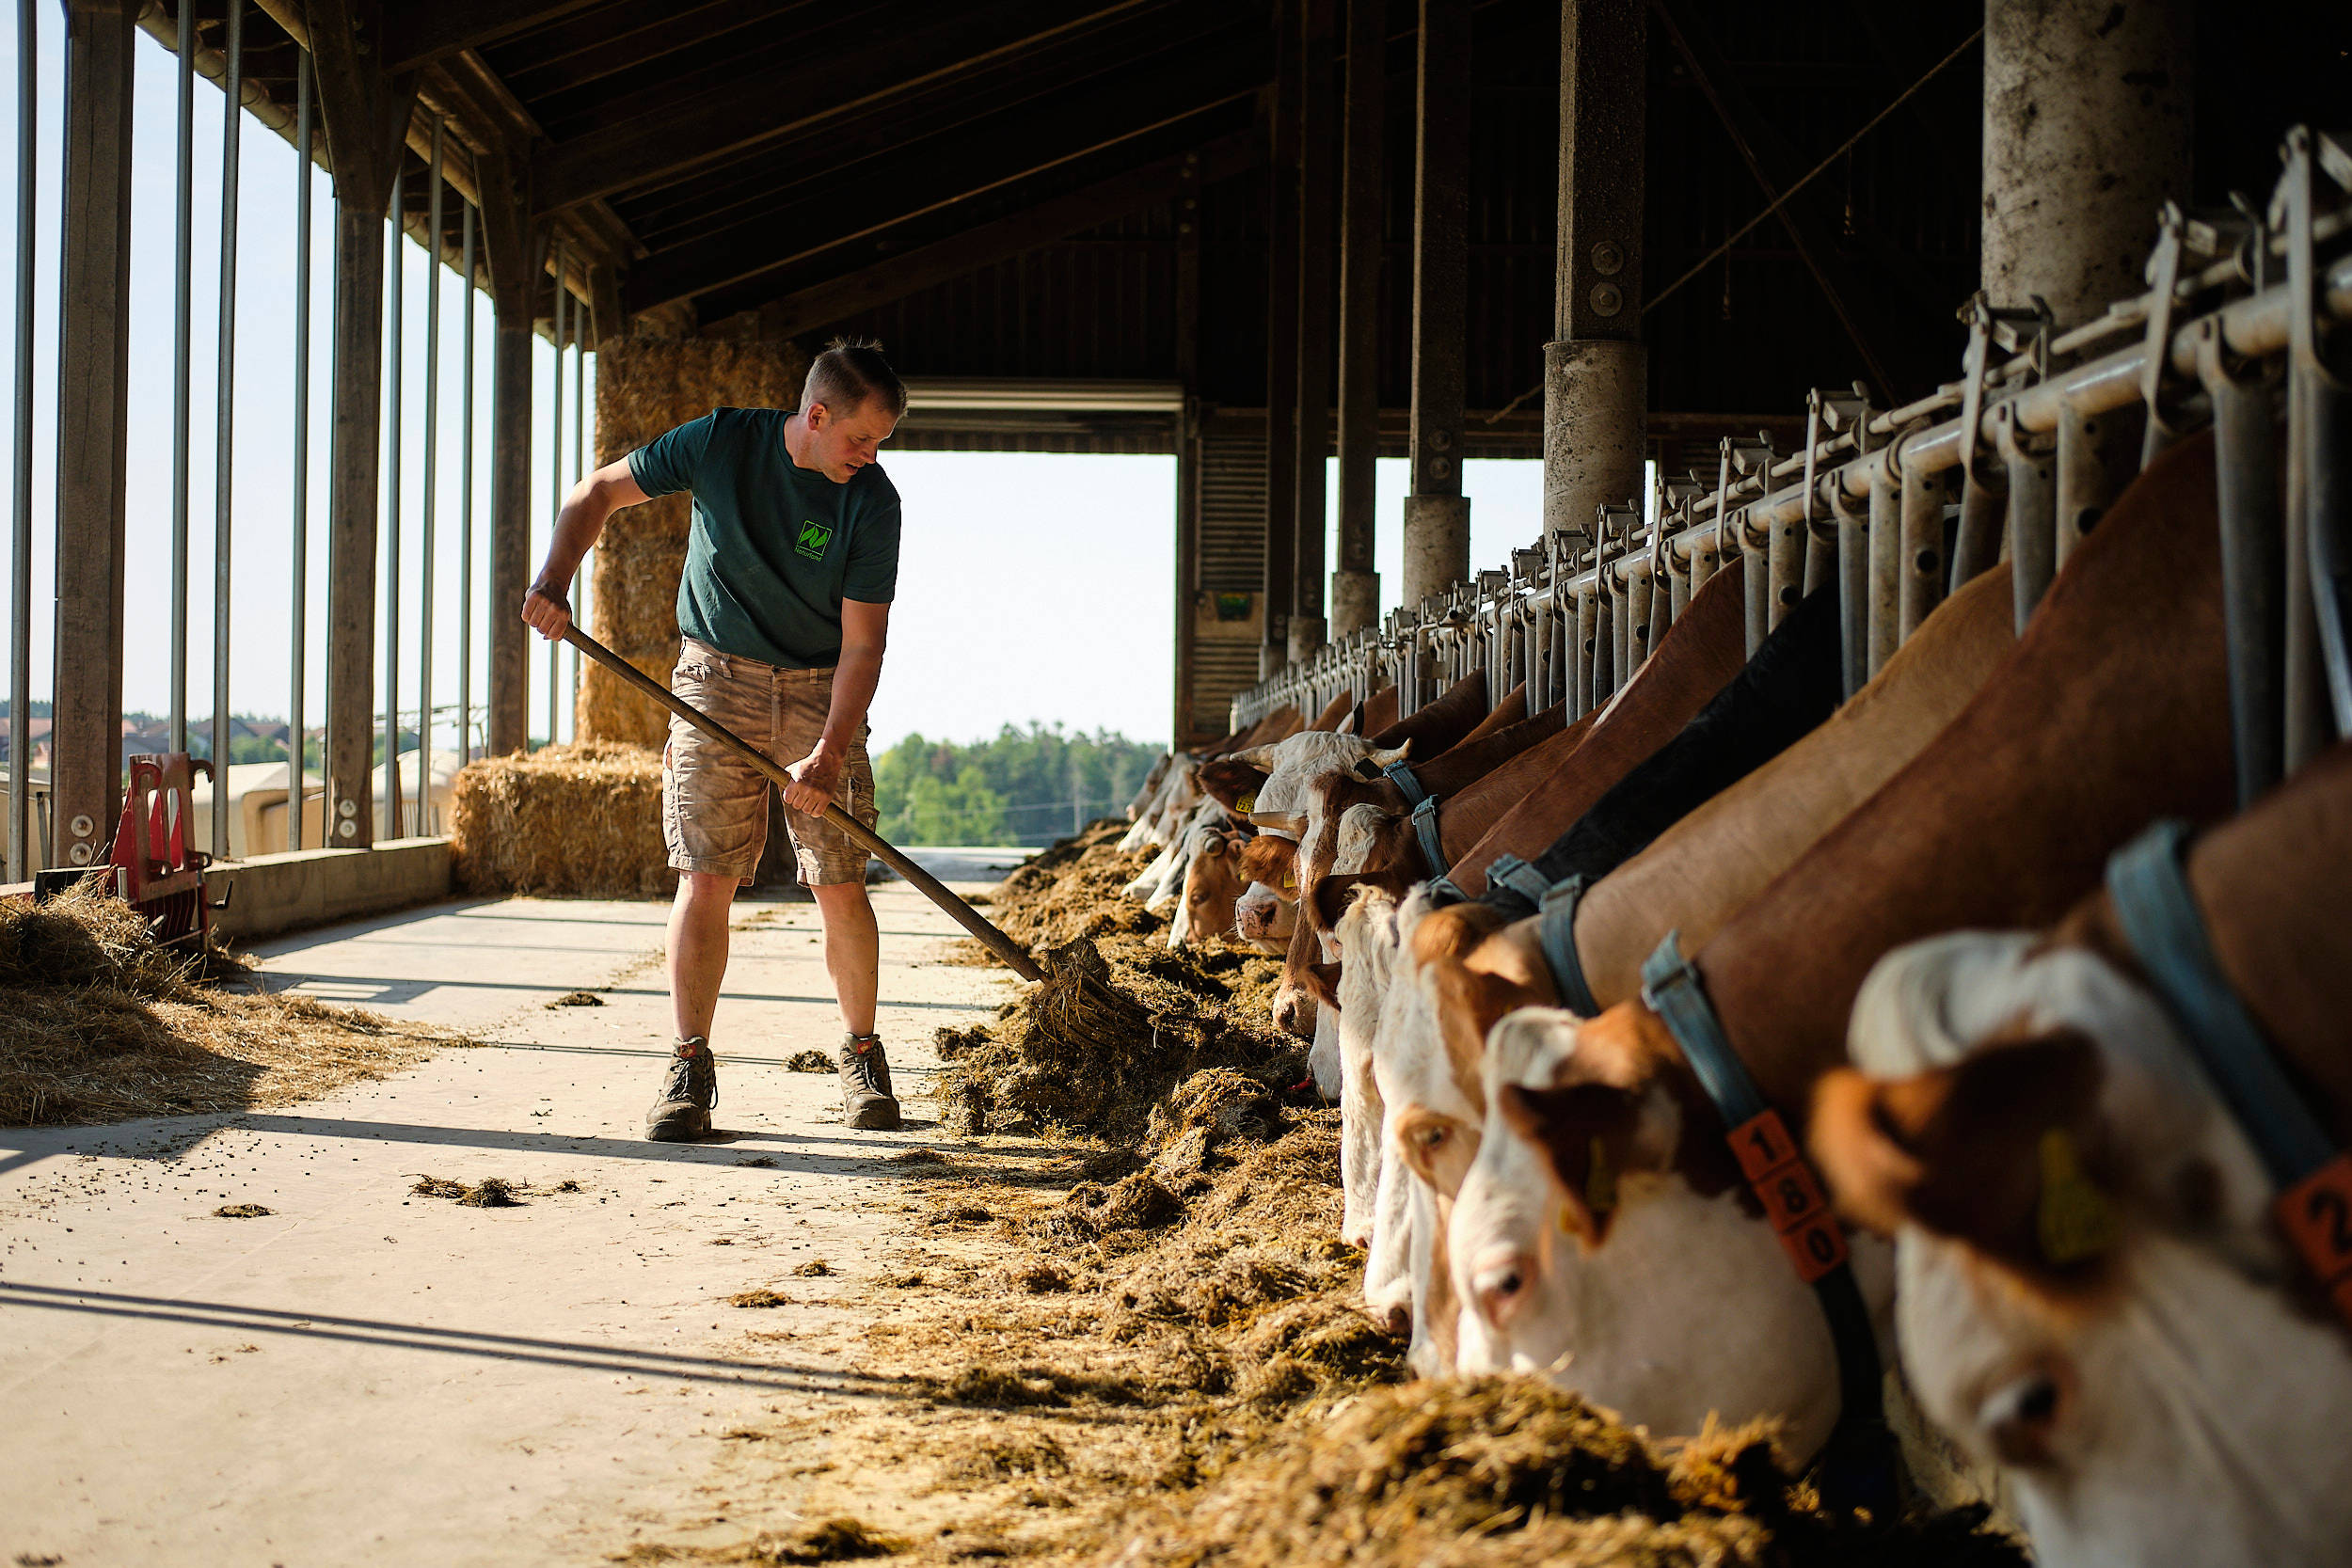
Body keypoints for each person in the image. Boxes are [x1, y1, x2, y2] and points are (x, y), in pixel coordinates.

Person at [521, 338, 907, 1140]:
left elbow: (863, 644)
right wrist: (553, 579)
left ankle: (863, 1054)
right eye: (860, 439)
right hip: (714, 680)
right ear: (817, 412)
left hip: (816, 684)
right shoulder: (722, 440)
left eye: (881, 443)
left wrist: (830, 753)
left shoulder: (872, 502)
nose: (870, 456)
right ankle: (689, 1064)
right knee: (706, 874)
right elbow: (595, 493)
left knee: (839, 876)